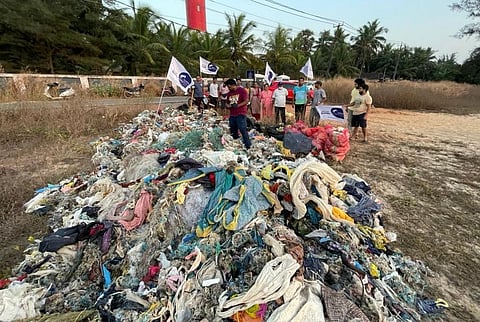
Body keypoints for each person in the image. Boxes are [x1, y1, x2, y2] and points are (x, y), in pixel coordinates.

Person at [225, 78, 252, 149]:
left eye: (229, 87)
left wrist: (238, 105)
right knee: (233, 131)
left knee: (243, 129)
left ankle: (248, 146)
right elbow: (227, 104)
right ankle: (236, 145)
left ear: (233, 85)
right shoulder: (229, 94)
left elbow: (246, 101)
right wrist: (229, 106)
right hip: (232, 114)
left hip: (241, 113)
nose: (229, 88)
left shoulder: (241, 91)